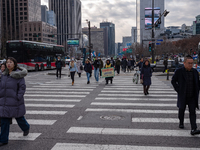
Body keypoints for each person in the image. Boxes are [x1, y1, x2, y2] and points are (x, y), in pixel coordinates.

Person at [0, 57, 30, 147]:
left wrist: (18, 97)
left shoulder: (18, 75)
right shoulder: (3, 75)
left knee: (19, 118)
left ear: (15, 64)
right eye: (7, 62)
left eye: (11, 62)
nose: (8, 64)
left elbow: (22, 87)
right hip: (4, 101)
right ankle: (4, 139)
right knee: (4, 120)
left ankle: (26, 127)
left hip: (14, 101)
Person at [171, 55, 200, 135]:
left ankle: (194, 128)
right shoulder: (179, 71)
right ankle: (181, 121)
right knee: (181, 110)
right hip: (183, 95)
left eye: (192, 63)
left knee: (192, 112)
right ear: (184, 63)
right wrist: (178, 90)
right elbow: (173, 81)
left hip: (192, 96)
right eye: (189, 63)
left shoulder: (195, 72)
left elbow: (198, 83)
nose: (191, 65)